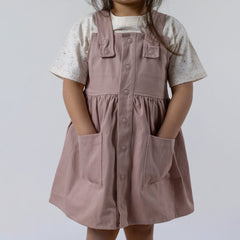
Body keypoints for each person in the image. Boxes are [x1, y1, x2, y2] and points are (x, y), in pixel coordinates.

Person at [48, 0, 208, 239]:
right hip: (99, 143)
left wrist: (165, 138)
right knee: (100, 221)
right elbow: (71, 85)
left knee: (143, 223)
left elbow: (183, 89)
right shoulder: (87, 28)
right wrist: (87, 136)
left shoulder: (169, 30)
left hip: (148, 144)